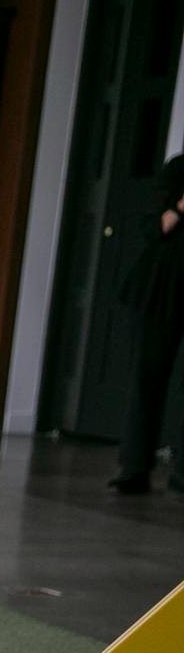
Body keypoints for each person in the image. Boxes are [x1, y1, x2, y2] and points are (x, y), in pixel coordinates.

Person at [109, 154, 184, 497]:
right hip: (161, 288)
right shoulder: (177, 169)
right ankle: (135, 468)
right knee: (147, 378)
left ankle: (181, 474)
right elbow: (153, 229)